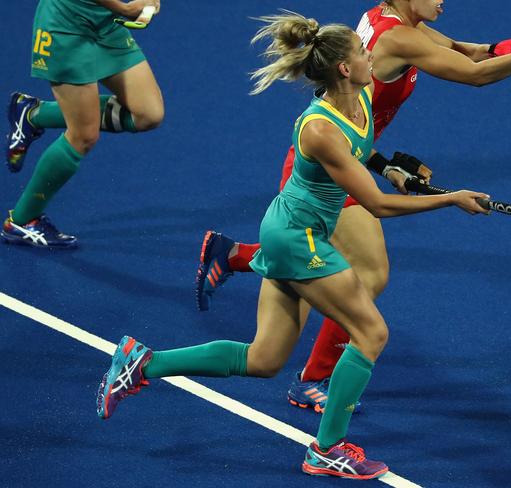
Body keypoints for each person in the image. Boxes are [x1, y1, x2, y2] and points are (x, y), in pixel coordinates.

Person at [97, 11, 489, 479]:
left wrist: (392, 167)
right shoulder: (319, 128)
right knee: (372, 333)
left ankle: (142, 361)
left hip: (292, 230)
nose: (372, 54)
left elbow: (361, 153)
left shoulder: (360, 97)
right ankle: (327, 448)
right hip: (297, 239)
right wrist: (451, 200)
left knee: (263, 360)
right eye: (364, 53)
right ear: (345, 68)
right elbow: (378, 207)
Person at [195, 0, 511, 414]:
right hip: (331, 167)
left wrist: (501, 48)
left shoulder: (389, 20)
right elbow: (475, 76)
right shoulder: (398, 37)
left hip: (352, 155)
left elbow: (464, 51)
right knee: (367, 274)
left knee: (334, 267)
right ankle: (312, 379)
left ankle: (236, 256)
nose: (442, 0)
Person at [2, 0, 164, 248]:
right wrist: (124, 9)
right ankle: (22, 219)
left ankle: (34, 114)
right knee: (83, 135)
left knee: (148, 114)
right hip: (65, 29)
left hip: (104, 23)